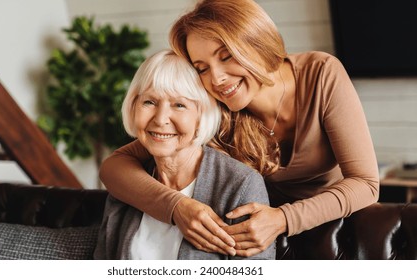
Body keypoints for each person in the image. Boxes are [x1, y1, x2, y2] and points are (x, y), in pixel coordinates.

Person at [99, 0, 379, 257]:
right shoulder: (216, 107)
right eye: (202, 68)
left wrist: (282, 219)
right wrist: (176, 207)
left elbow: (366, 184)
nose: (217, 79)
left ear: (256, 42)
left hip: (335, 226)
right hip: (257, 236)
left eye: (226, 56)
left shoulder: (321, 74)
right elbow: (115, 166)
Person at [94, 49, 274, 259]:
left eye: (179, 105)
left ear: (202, 115)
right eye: (149, 102)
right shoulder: (128, 186)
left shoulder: (240, 185)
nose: (161, 119)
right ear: (133, 106)